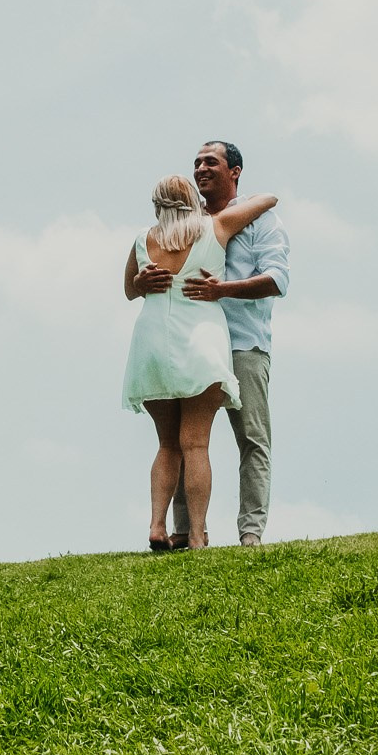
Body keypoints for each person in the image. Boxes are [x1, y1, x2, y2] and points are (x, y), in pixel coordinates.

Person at [122, 173, 280, 551]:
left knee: (167, 444)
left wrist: (144, 283)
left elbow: (129, 290)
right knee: (195, 445)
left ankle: (157, 527)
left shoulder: (143, 240)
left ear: (157, 204)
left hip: (152, 345)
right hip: (199, 343)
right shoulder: (215, 227)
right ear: (192, 200)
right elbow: (269, 199)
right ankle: (195, 536)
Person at [163, 141, 289, 548]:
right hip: (195, 343)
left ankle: (250, 533)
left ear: (234, 171)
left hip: (243, 344)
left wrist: (224, 290)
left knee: (252, 439)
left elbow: (277, 279)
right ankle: (184, 531)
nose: (200, 168)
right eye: (196, 162)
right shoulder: (188, 221)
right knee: (186, 441)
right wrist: (142, 279)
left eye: (210, 162)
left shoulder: (262, 221)